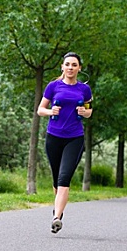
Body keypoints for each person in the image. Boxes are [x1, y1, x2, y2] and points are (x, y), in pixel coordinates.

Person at [37, 52, 93, 234]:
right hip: (53, 137)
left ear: (79, 68)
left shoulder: (84, 89)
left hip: (74, 138)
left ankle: (56, 218)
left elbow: (89, 110)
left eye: (74, 65)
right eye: (67, 64)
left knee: (64, 178)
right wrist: (50, 111)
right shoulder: (53, 86)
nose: (70, 67)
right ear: (62, 67)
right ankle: (58, 212)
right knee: (56, 179)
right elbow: (40, 110)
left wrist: (85, 113)